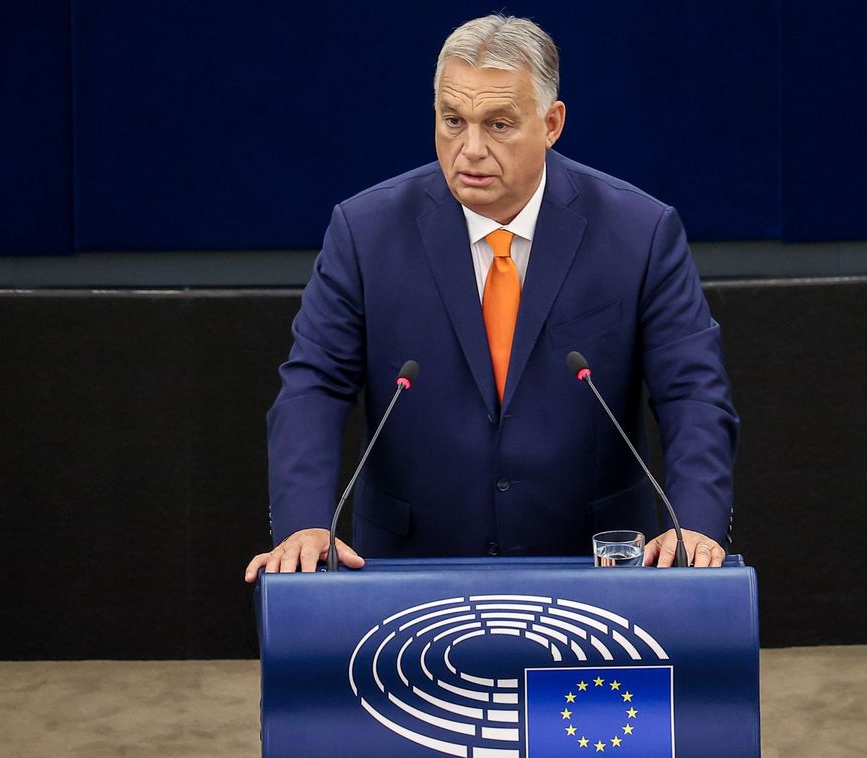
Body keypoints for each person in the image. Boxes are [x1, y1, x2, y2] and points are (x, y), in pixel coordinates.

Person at [245, 14, 738, 583]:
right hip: (411, 568)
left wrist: (696, 523)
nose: (470, 149)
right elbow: (314, 385)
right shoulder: (365, 232)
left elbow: (693, 392)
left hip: (594, 567)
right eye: (453, 121)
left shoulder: (640, 232)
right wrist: (304, 522)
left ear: (551, 123)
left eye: (498, 124)